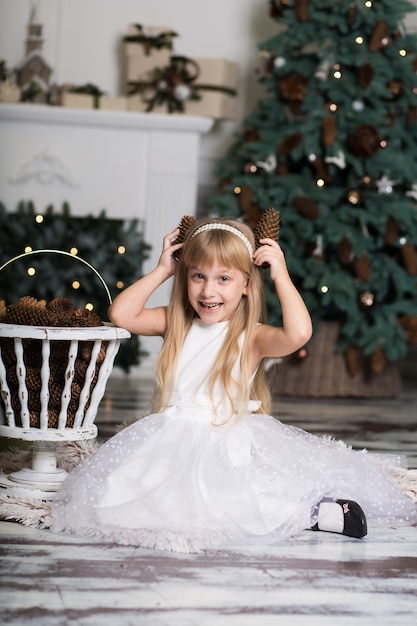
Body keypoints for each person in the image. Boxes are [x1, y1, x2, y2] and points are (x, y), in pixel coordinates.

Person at [51, 216, 417, 553]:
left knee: (244, 494)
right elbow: (121, 314)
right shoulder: (175, 322)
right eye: (198, 276)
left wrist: (280, 276)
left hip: (227, 439)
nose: (209, 291)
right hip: (170, 434)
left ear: (245, 284)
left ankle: (317, 513)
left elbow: (300, 333)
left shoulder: (251, 336)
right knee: (130, 495)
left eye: (224, 278)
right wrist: (164, 269)